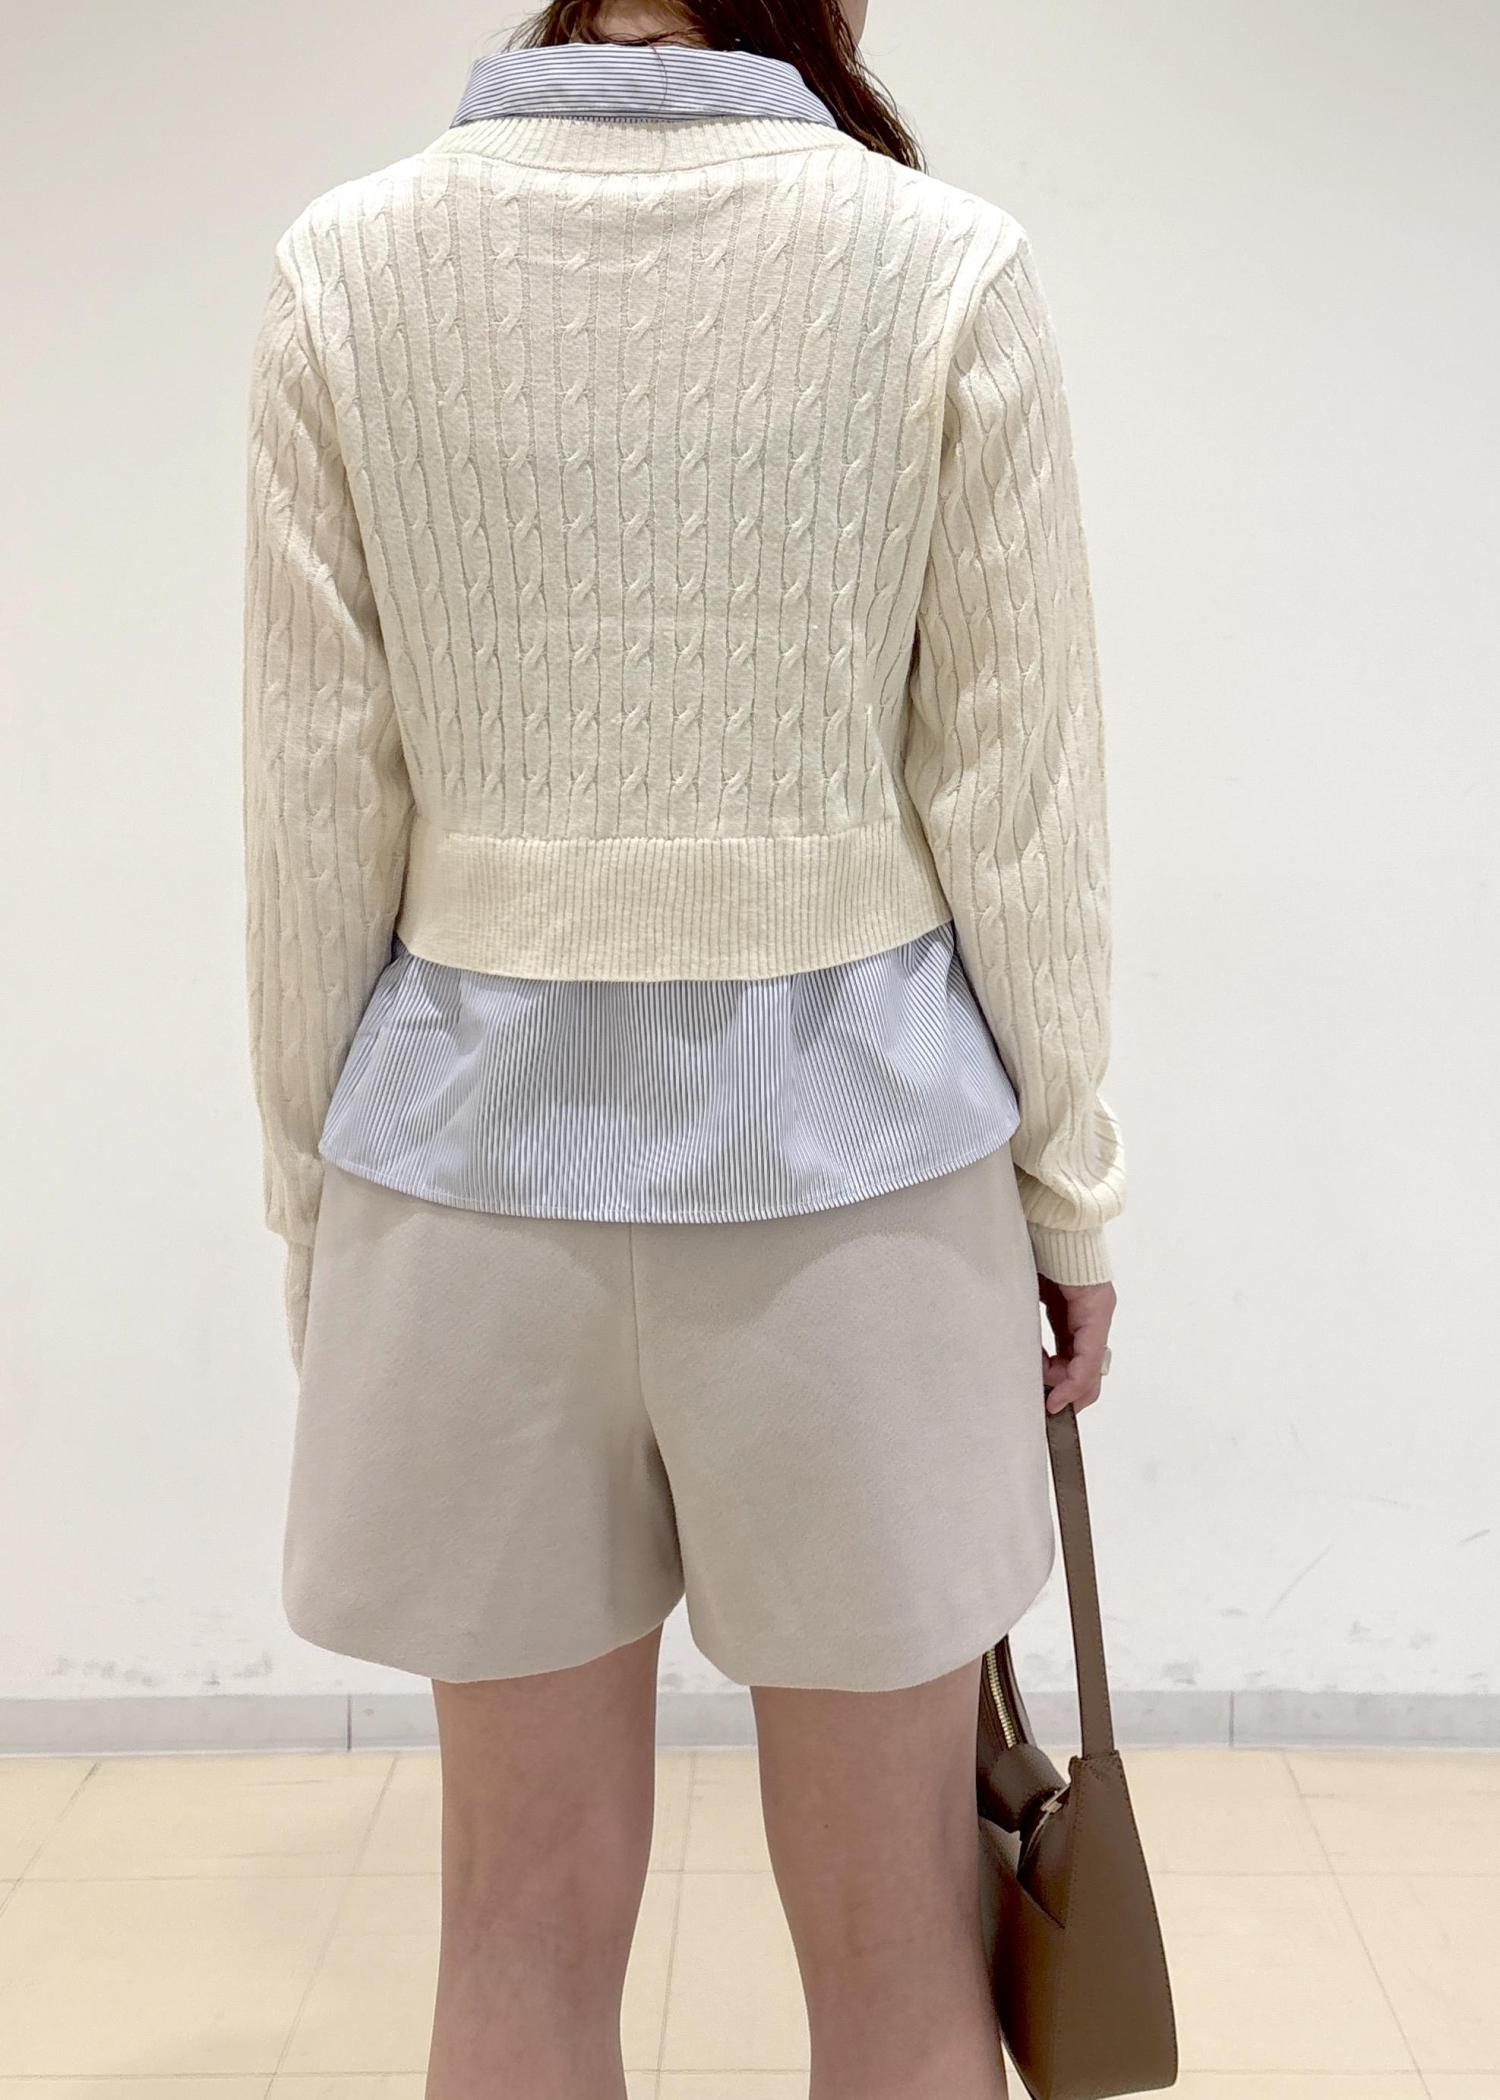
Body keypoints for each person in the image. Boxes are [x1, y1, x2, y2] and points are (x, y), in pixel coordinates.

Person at [242, 2, 1121, 2093]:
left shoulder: (348, 270)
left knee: (514, 1924)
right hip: (861, 1192)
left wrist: (314, 1212)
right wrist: (1069, 1194)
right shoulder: (939, 265)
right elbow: (1017, 807)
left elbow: (313, 811)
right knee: (901, 1944)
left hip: (463, 1188)